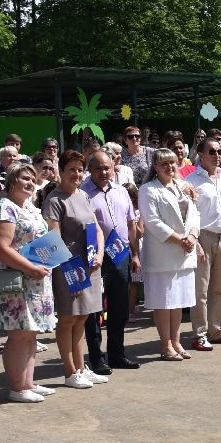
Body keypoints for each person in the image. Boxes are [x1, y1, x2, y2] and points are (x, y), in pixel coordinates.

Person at [0, 163, 57, 402]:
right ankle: (17, 387)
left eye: (32, 179)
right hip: (15, 281)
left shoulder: (29, 207)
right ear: (11, 181)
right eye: (24, 178)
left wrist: (48, 260)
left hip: (35, 279)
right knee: (18, 334)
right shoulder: (4, 208)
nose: (30, 182)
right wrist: (30, 267)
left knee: (30, 332)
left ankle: (28, 382)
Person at [44, 150, 106, 387]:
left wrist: (99, 254)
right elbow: (54, 239)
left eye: (80, 170)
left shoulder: (84, 196)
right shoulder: (54, 200)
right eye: (71, 169)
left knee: (82, 318)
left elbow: (97, 229)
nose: (76, 174)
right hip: (69, 267)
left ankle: (81, 367)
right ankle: (70, 372)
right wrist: (72, 274)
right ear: (61, 171)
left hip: (90, 265)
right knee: (68, 319)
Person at [140, 148, 202, 360]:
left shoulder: (184, 187)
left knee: (178, 301)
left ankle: (176, 342)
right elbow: (153, 222)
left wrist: (192, 237)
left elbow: (195, 214)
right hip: (163, 254)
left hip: (185, 253)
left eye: (173, 163)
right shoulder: (148, 189)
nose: (169, 167)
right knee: (163, 301)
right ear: (155, 167)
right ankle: (165, 345)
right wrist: (180, 240)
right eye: (164, 164)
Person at [83, 150, 142, 372]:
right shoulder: (83, 193)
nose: (103, 172)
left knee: (119, 307)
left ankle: (117, 354)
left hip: (120, 255)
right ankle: (97, 358)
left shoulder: (121, 192)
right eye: (98, 168)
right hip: (95, 257)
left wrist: (135, 254)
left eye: (107, 167)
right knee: (95, 309)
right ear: (90, 170)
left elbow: (131, 225)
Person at [187, 139, 221, 350]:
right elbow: (188, 216)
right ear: (200, 154)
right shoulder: (191, 181)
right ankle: (199, 334)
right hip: (201, 237)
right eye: (212, 151)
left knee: (218, 289)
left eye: (220, 152)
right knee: (200, 290)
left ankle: (216, 330)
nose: (217, 155)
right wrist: (197, 244)